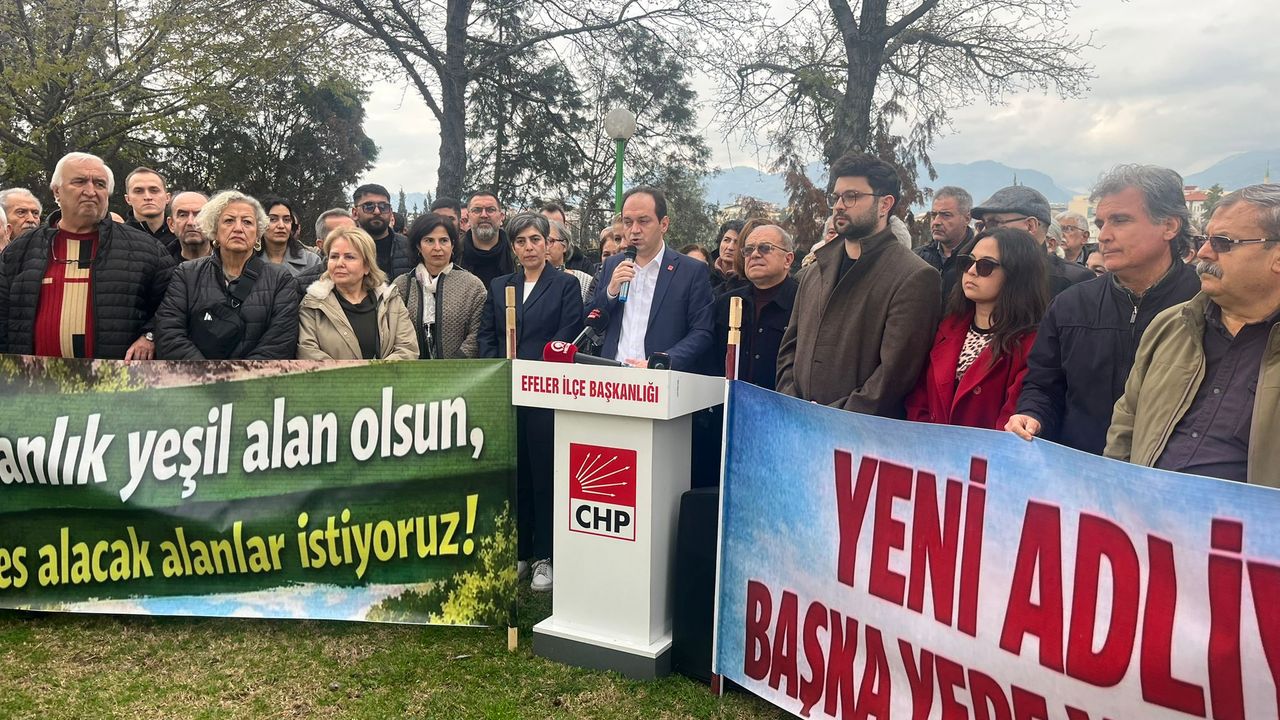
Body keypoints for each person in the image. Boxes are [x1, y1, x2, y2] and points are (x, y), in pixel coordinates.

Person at [1005, 164, 1202, 454]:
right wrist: (1032, 415)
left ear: (1170, 226)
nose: (1105, 235)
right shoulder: (1071, 305)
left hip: (1168, 477)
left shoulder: (1207, 304)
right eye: (1101, 224)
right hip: (1080, 471)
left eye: (1120, 220)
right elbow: (1044, 385)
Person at [1105, 184, 1280, 485]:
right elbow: (1127, 419)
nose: (1203, 253)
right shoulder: (1171, 325)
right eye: (1204, 240)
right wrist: (1115, 489)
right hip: (1141, 509)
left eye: (1222, 243)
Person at [776, 153, 941, 417]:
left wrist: (831, 418)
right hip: (798, 423)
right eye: (836, 197)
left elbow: (894, 376)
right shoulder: (814, 270)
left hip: (861, 434)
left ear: (885, 204)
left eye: (851, 196)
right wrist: (793, 406)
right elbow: (789, 349)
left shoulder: (914, 276)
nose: (839, 206)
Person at [478, 213, 583, 593]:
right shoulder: (500, 285)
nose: (529, 248)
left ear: (548, 243)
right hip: (508, 392)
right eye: (521, 241)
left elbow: (567, 334)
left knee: (544, 474)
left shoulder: (565, 285)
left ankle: (545, 555)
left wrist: (532, 370)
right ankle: (520, 550)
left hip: (544, 392)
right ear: (513, 247)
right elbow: (488, 335)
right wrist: (498, 369)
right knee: (517, 472)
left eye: (536, 240)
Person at [0, 152, 173, 359]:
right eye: (79, 181)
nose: (90, 191)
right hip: (32, 377)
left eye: (99, 184)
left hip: (119, 377)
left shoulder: (146, 249)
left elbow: (172, 306)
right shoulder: (21, 250)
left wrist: (150, 335)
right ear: (56, 191)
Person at [905, 227, 1047, 430]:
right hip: (931, 444)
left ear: (1016, 274)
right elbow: (920, 396)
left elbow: (1012, 420)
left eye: (985, 266)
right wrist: (926, 436)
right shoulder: (948, 327)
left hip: (987, 448)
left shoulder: (1031, 344)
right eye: (967, 262)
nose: (971, 271)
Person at [154, 190, 299, 360]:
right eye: (229, 221)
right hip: (196, 375)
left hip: (256, 376)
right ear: (214, 229)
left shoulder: (280, 279)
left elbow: (279, 343)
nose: (238, 228)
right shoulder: (186, 273)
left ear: (258, 233)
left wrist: (240, 375)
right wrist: (206, 372)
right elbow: (169, 333)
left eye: (247, 222)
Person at [590, 186, 714, 371]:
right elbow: (592, 320)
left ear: (664, 224)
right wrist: (610, 292)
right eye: (628, 222)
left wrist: (662, 362)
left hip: (660, 376)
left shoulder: (691, 271)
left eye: (643, 221)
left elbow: (702, 331)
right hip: (613, 376)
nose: (634, 230)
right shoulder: (612, 265)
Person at [298, 226, 418, 360]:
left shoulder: (390, 300)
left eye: (349, 257)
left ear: (367, 266)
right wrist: (354, 373)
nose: (339, 263)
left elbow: (407, 348)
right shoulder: (313, 304)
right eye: (334, 256)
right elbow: (308, 352)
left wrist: (377, 372)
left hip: (387, 375)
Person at [391, 212, 487, 359]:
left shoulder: (472, 286)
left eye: (444, 240)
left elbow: (477, 333)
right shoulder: (402, 285)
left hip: (462, 370)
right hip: (410, 370)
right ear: (418, 246)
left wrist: (453, 365)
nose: (437, 247)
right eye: (429, 241)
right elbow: (393, 332)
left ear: (452, 244)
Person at [713, 225, 797, 390]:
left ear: (787, 259)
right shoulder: (727, 303)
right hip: (731, 401)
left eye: (765, 248)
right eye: (748, 250)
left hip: (782, 401)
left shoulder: (802, 302)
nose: (755, 254)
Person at [971, 186, 1093, 298]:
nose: (985, 232)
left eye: (993, 223)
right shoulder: (973, 270)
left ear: (1030, 226)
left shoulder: (1073, 282)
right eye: (981, 225)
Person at [914, 186, 977, 301]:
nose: (936, 222)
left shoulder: (977, 262)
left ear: (967, 219)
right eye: (934, 215)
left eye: (946, 215)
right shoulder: (917, 257)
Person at [351, 184, 414, 281]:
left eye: (383, 207)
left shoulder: (410, 247)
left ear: (391, 212)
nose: (377, 211)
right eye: (369, 206)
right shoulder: (342, 248)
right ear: (355, 213)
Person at [457, 191, 513, 288]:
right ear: (468, 217)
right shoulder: (453, 255)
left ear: (501, 217)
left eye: (490, 210)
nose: (484, 215)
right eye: (477, 210)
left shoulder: (518, 254)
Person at [260, 197, 322, 277]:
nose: (281, 226)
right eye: (273, 219)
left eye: (286, 220)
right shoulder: (248, 260)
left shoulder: (311, 261)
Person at [123, 167, 177, 255]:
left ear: (167, 197)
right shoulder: (116, 239)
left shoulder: (181, 237)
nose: (148, 197)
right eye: (139, 191)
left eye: (154, 191)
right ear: (128, 199)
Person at [547, 219, 592, 303]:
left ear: (564, 245)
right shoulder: (527, 281)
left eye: (549, 241)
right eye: (538, 241)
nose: (544, 246)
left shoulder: (584, 281)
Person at [168, 191, 211, 261]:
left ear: (211, 222)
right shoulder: (160, 264)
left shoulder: (228, 261)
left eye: (199, 215)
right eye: (183, 215)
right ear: (171, 224)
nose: (191, 222)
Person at [710, 219, 744, 295]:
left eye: (737, 242)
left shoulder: (750, 277)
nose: (730, 247)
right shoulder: (705, 271)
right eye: (726, 240)